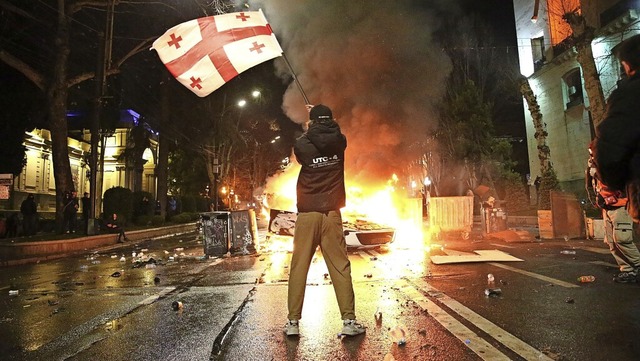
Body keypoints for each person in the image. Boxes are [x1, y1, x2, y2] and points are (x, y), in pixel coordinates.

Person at [283, 104, 365, 337]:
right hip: (331, 214)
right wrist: (326, 121)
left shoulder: (303, 144)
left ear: (311, 123)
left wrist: (313, 124)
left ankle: (292, 323)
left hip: (308, 214)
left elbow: (306, 142)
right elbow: (333, 133)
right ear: (331, 120)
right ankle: (349, 322)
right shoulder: (340, 141)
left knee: (299, 267)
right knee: (340, 268)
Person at [591, 34, 640, 283]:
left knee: (623, 238)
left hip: (622, 196)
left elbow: (610, 148)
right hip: (613, 201)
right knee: (614, 240)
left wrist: (613, 186)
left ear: (628, 65)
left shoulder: (630, 95)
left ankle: (635, 269)